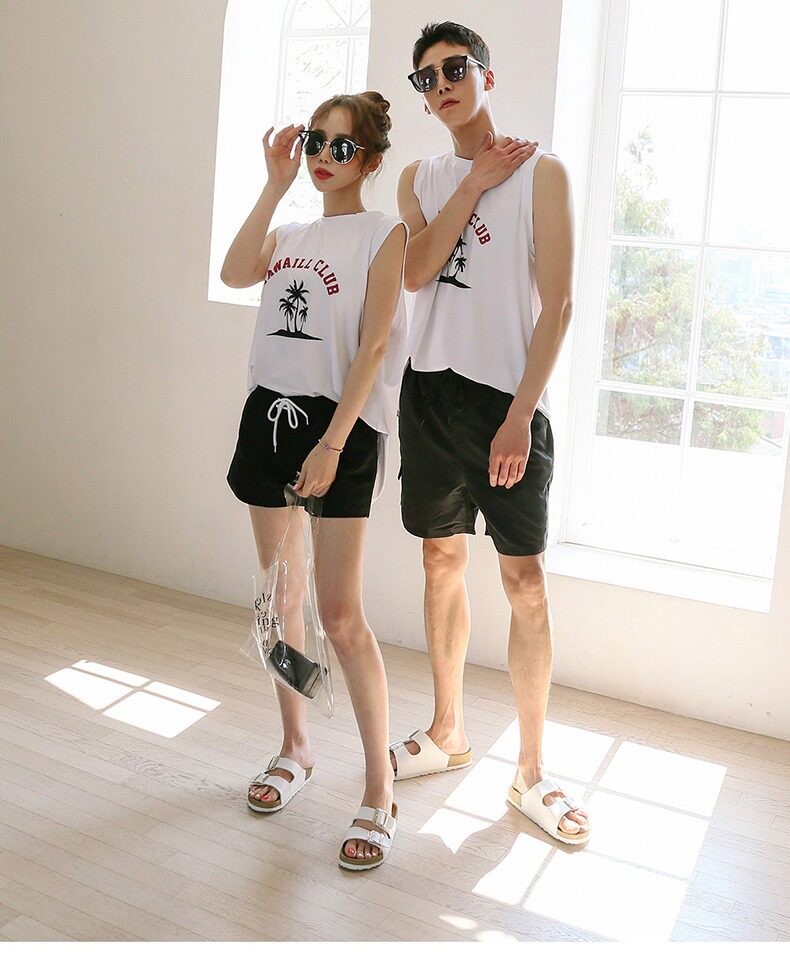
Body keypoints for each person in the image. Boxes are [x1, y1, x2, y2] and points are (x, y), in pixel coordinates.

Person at [390, 21, 591, 845]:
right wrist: (473, 183)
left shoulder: (544, 174)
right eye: (426, 78)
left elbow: (560, 304)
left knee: (526, 584)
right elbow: (414, 273)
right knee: (440, 561)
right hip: (429, 396)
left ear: (486, 75)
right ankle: (448, 732)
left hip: (504, 403)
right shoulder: (419, 177)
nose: (442, 85)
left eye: (455, 69)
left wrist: (518, 416)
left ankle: (532, 772)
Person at [221, 91, 407, 870]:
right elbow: (235, 271)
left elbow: (374, 346)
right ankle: (295, 746)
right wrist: (274, 184)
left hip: (341, 425)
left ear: (370, 159)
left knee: (341, 615)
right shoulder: (290, 233)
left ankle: (379, 789)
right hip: (269, 413)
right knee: (280, 597)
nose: (325, 157)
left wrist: (333, 443)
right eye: (316, 144)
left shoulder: (383, 233)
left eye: (342, 146)